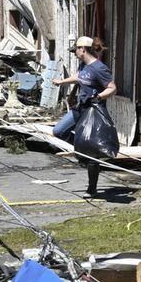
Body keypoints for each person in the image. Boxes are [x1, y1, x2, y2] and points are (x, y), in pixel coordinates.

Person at [53, 36, 117, 197]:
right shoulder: (84, 65)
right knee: (58, 131)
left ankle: (92, 188)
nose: (75, 52)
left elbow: (112, 88)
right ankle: (81, 150)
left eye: (76, 49)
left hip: (93, 111)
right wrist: (62, 82)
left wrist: (99, 97)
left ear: (83, 49)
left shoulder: (99, 68)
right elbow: (79, 77)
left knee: (92, 150)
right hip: (80, 108)